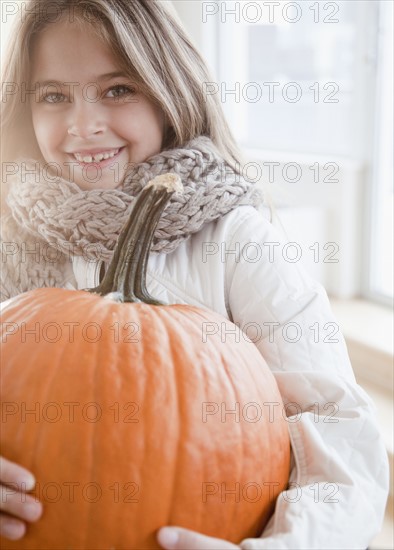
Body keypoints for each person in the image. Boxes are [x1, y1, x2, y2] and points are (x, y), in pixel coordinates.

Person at [0, 1, 389, 549]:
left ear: (168, 95)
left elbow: (339, 431)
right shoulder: (8, 242)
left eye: (117, 90)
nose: (83, 125)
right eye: (54, 96)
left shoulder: (238, 241)